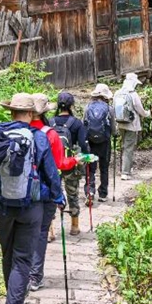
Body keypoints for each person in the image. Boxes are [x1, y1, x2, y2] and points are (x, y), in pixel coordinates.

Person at [0, 93, 64, 304]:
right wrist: (57, 197)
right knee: (23, 258)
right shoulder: (39, 137)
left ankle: (13, 299)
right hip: (32, 206)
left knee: (8, 255)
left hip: (4, 206)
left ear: (11, 111)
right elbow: (50, 172)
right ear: (30, 114)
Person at [29, 93, 78, 291]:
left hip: (18, 192)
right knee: (41, 233)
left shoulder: (13, 131)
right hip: (45, 191)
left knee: (23, 234)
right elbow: (58, 164)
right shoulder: (50, 135)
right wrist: (75, 160)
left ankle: (18, 277)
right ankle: (35, 276)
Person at [50, 91, 90, 235]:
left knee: (52, 193)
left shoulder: (50, 122)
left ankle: (50, 230)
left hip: (53, 164)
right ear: (72, 105)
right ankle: (74, 226)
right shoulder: (76, 123)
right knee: (72, 193)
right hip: (70, 163)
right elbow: (83, 146)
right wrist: (86, 158)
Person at [113, 73, 149, 180]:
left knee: (124, 145)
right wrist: (147, 114)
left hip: (120, 123)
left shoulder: (117, 93)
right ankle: (125, 172)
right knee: (128, 147)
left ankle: (123, 169)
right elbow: (139, 109)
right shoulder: (133, 94)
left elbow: (113, 107)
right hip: (131, 124)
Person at [83, 83, 115, 201]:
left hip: (90, 141)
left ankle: (90, 191)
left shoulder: (88, 107)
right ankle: (103, 193)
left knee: (90, 167)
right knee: (104, 167)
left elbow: (84, 123)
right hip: (105, 142)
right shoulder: (109, 108)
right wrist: (114, 135)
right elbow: (113, 128)